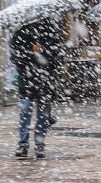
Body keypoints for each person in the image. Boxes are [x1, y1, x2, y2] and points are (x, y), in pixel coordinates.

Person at [9, 19, 63, 160]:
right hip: (27, 81)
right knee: (25, 112)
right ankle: (23, 144)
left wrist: (44, 52)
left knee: (43, 116)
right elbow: (15, 56)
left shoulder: (52, 31)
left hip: (45, 81)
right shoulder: (22, 32)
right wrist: (32, 53)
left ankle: (39, 144)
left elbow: (58, 57)